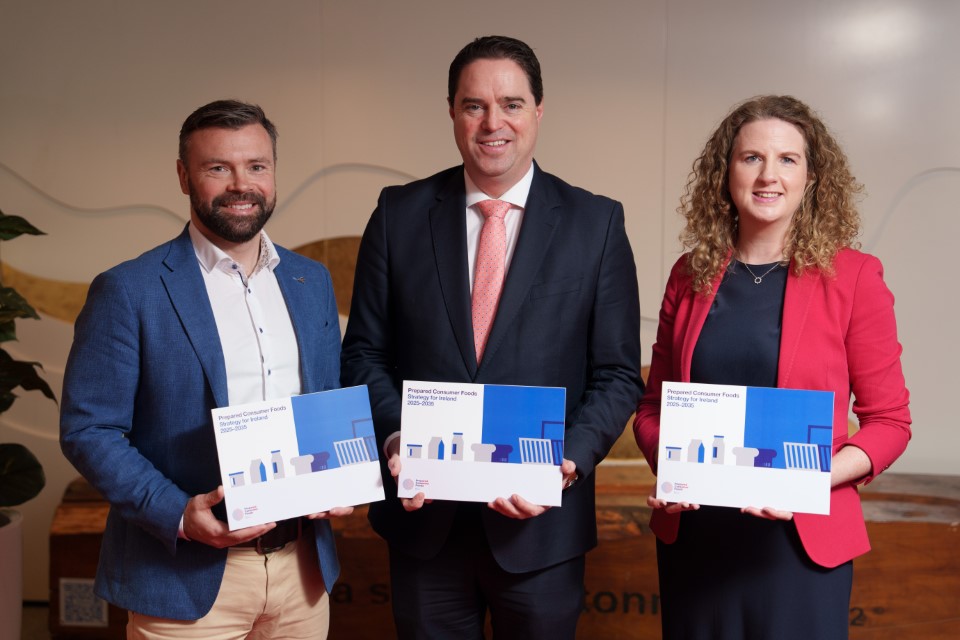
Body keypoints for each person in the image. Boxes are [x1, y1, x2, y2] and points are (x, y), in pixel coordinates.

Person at [341, 35, 642, 639]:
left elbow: (616, 375)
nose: (492, 122)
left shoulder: (596, 223)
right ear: (451, 111)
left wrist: (567, 461)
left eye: (510, 103)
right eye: (473, 105)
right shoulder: (398, 214)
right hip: (425, 528)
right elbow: (364, 354)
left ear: (538, 111)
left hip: (541, 529)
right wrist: (398, 432)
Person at [60, 99, 351, 639]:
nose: (241, 184)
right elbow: (89, 429)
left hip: (303, 575)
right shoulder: (129, 289)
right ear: (183, 176)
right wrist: (176, 512)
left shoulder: (310, 283)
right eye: (218, 168)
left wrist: (340, 473)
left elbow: (325, 404)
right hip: (182, 579)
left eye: (257, 166)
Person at [633, 95, 911, 639]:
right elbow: (651, 408)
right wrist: (671, 466)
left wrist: (806, 481)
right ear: (725, 172)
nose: (769, 175)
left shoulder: (855, 277)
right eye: (751, 158)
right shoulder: (689, 274)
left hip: (799, 544)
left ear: (812, 177)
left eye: (788, 159)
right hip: (698, 538)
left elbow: (890, 424)